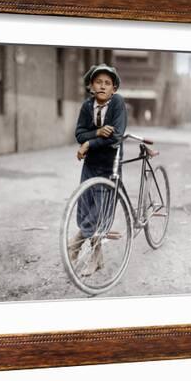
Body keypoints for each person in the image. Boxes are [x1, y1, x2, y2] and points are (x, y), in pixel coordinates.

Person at [68, 63, 128, 276]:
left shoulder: (117, 103)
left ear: (114, 88)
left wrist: (89, 143)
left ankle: (76, 243)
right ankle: (97, 257)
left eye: (107, 83)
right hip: (90, 164)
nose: (102, 86)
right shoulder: (87, 106)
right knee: (86, 206)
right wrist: (97, 133)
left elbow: (116, 136)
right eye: (98, 82)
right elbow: (79, 133)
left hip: (109, 165)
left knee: (100, 212)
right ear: (91, 86)